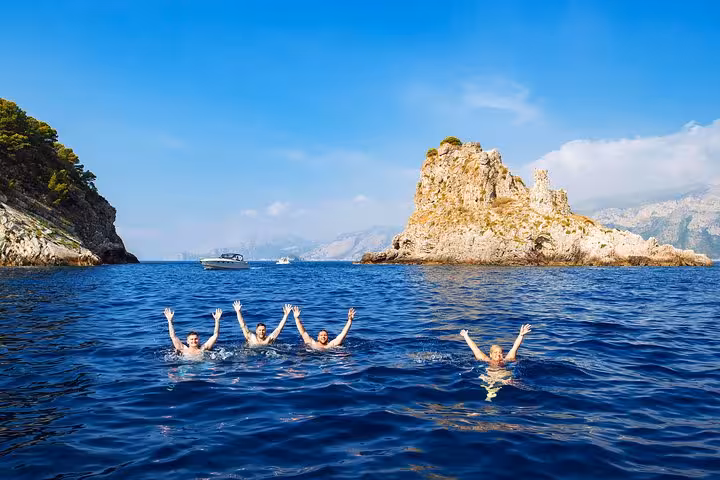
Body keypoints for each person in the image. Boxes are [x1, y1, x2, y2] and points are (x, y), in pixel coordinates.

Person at [460, 324, 532, 366]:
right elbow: (475, 349)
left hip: (505, 378)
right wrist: (466, 336)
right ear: (490, 354)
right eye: (495, 352)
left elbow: (515, 347)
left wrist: (521, 335)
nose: (498, 354)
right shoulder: (486, 360)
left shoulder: (507, 360)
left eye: (500, 352)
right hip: (491, 379)